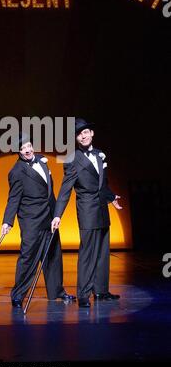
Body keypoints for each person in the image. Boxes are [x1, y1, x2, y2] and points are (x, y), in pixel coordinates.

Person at [51, 119, 123, 308]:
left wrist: (111, 197)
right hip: (87, 210)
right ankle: (83, 293)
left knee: (102, 252)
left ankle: (100, 291)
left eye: (85, 132)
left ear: (92, 133)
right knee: (88, 253)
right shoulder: (73, 159)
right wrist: (58, 214)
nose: (82, 136)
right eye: (78, 134)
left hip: (101, 208)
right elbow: (66, 189)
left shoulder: (100, 154)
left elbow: (102, 183)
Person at [1, 134, 75, 308]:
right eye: (22, 149)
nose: (27, 150)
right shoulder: (17, 172)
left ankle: (56, 291)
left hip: (49, 217)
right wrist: (7, 221)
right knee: (28, 257)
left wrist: (57, 214)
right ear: (18, 152)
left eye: (28, 146)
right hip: (31, 221)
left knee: (53, 255)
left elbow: (50, 192)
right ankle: (18, 295)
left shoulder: (42, 161)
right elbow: (13, 199)